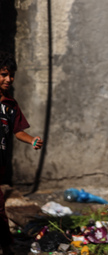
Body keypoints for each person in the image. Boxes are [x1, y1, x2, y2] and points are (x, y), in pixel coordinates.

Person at [0, 51, 43, 255]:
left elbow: (17, 131)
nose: (9, 79)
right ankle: (7, 245)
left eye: (11, 75)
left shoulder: (10, 106)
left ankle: (7, 245)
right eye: (3, 74)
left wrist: (32, 139)